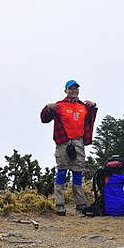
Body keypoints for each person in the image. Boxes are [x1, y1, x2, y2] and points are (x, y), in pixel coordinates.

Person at [40, 80, 98, 216]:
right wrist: (47, 108)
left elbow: (91, 118)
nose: (74, 91)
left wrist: (93, 106)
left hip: (78, 142)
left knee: (78, 172)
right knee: (61, 171)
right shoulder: (59, 106)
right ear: (65, 91)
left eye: (76, 89)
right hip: (63, 142)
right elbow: (44, 119)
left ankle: (81, 204)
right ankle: (60, 204)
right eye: (70, 89)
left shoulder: (83, 106)